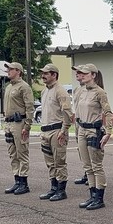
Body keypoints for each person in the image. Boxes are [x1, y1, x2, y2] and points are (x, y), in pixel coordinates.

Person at [73, 63, 113, 210]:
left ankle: (99, 198)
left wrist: (108, 132)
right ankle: (92, 195)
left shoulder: (99, 92)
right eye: (81, 73)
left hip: (93, 130)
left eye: (85, 73)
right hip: (82, 129)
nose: (82, 75)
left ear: (93, 75)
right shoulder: (81, 91)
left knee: (96, 166)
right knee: (87, 166)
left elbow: (108, 112)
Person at [37, 63, 74, 202]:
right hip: (46, 131)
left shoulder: (60, 91)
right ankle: (53, 188)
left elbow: (67, 112)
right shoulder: (44, 91)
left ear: (54, 75)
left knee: (59, 162)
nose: (43, 76)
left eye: (46, 73)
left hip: (57, 130)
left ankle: (61, 190)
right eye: (42, 73)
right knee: (50, 162)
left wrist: (64, 130)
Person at [2, 62, 35, 195]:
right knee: (12, 153)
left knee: (22, 153)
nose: (8, 71)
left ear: (18, 71)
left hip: (19, 123)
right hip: (9, 123)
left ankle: (24, 182)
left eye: (11, 69)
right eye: (8, 69)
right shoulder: (9, 87)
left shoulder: (24, 87)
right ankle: (17, 180)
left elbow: (30, 107)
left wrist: (27, 125)